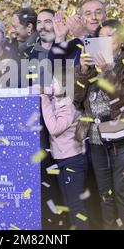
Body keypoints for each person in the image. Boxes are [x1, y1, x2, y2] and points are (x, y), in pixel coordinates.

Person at [74, 19, 124, 229]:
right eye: (102, 36)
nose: (106, 40)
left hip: (123, 135)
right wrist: (83, 70)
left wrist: (107, 72)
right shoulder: (91, 63)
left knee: (122, 190)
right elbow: (76, 98)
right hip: (97, 136)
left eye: (110, 35)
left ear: (121, 39)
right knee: (105, 192)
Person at [41, 73, 89, 230]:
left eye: (54, 84)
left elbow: (54, 128)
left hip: (73, 160)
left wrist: (44, 100)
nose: (52, 87)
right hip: (63, 159)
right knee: (69, 205)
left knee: (75, 206)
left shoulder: (69, 105)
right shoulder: (59, 100)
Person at [48, 0, 107, 67]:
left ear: (106, 15)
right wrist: (60, 37)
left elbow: (101, 65)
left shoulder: (114, 37)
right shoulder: (75, 43)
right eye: (88, 14)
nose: (93, 17)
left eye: (98, 13)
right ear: (81, 18)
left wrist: (83, 35)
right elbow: (53, 68)